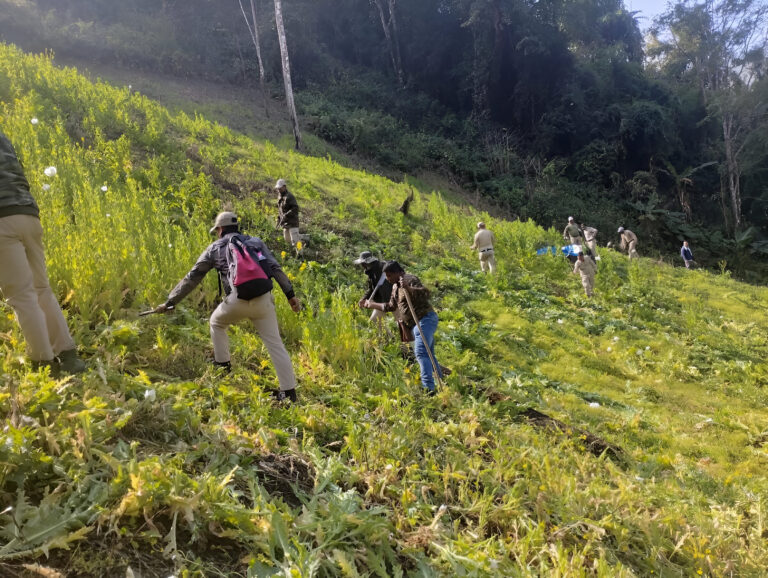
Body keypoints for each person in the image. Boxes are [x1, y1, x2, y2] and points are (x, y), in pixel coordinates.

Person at [154, 212, 301, 401]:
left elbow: (193, 277)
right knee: (275, 344)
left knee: (216, 323)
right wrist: (290, 296)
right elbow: (275, 268)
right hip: (264, 300)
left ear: (220, 229)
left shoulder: (215, 247)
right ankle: (289, 394)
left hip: (236, 300)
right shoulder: (255, 242)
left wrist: (170, 302)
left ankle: (222, 365)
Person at [0, 131, 85, 374]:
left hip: (2, 219)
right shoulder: (5, 138)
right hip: (28, 213)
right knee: (41, 288)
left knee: (21, 296)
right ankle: (68, 356)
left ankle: (43, 365)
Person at [363, 261, 443, 394]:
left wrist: (408, 289)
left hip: (425, 320)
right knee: (429, 354)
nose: (388, 278)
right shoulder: (395, 287)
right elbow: (390, 306)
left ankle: (429, 388)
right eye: (386, 276)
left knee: (421, 352)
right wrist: (372, 305)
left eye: (389, 275)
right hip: (416, 324)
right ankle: (440, 381)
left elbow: (425, 293)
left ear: (397, 273)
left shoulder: (409, 279)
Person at [354, 251, 393, 327]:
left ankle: (413, 337)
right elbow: (371, 288)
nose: (361, 265)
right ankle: (390, 338)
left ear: (366, 263)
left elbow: (389, 286)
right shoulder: (371, 272)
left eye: (362, 263)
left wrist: (388, 303)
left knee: (401, 321)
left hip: (394, 299)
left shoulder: (382, 268)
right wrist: (364, 298)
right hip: (382, 301)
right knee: (374, 320)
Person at [275, 179, 300, 248]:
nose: (279, 189)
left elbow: (295, 208)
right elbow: (280, 210)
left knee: (295, 241)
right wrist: (278, 218)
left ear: (284, 187)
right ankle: (292, 255)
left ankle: (300, 255)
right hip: (285, 223)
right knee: (287, 240)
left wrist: (286, 215)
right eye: (278, 188)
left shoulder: (290, 196)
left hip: (292, 222)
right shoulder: (279, 197)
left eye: (280, 188)